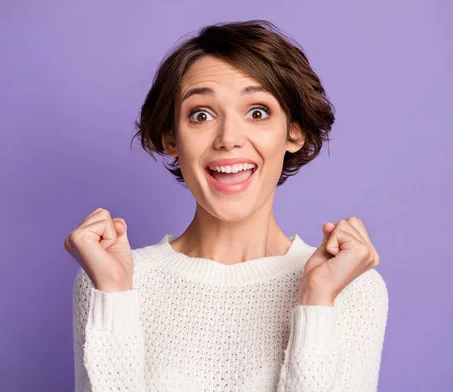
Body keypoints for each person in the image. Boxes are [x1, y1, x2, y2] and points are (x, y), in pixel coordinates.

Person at [64, 19, 389, 392]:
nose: (229, 139)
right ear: (171, 137)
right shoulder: (108, 278)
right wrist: (114, 295)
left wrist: (316, 303)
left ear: (294, 131)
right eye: (201, 115)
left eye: (257, 112)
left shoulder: (351, 289)